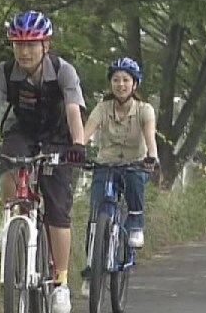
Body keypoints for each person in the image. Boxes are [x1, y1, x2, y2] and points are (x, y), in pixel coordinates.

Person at [0, 10, 85, 313]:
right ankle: (7, 221)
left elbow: (72, 110)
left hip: (58, 136)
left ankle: (62, 283)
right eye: (18, 45)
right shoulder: (3, 72)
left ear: (46, 45)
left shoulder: (64, 71)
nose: (25, 51)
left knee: (57, 210)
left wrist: (78, 145)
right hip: (22, 130)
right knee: (8, 157)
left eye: (32, 44)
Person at [78, 57, 158, 297]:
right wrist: (76, 149)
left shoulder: (145, 109)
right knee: (96, 216)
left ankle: (135, 222)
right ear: (110, 83)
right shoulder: (102, 108)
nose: (120, 84)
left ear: (135, 84)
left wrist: (151, 156)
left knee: (134, 182)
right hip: (106, 163)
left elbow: (150, 136)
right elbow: (85, 132)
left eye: (126, 80)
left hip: (134, 163)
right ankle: (91, 270)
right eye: (116, 80)